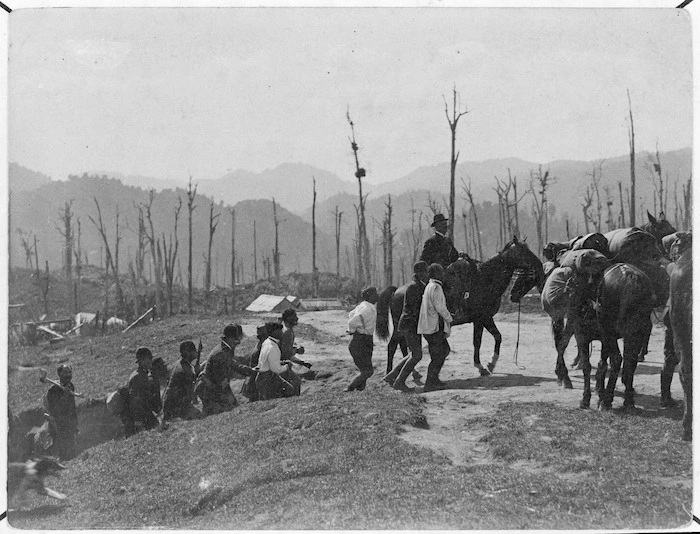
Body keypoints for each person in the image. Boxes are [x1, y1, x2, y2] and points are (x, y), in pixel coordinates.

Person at [384, 261, 429, 392]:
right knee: (417, 355)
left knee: (413, 354)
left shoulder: (416, 285)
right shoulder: (415, 287)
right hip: (411, 324)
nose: (427, 274)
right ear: (420, 273)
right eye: (425, 272)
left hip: (411, 324)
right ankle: (400, 382)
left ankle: (391, 375)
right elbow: (415, 308)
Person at [198, 324, 254, 415]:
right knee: (222, 412)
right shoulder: (221, 353)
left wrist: (250, 370)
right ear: (230, 338)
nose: (239, 342)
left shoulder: (226, 349)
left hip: (213, 386)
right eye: (237, 339)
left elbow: (233, 364)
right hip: (208, 389)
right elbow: (220, 380)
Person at [417, 263, 453, 392]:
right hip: (434, 327)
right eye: (441, 272)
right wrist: (449, 318)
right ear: (436, 274)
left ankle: (433, 379)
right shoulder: (436, 287)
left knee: (440, 352)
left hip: (428, 326)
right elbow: (440, 307)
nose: (443, 274)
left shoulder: (429, 286)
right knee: (441, 353)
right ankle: (430, 382)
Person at [346, 286, 379, 392]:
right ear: (369, 296)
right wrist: (351, 330)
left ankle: (359, 389)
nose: (377, 295)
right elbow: (352, 322)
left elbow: (351, 314)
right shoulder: (366, 309)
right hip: (361, 341)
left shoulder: (363, 305)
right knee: (368, 371)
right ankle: (350, 388)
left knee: (365, 369)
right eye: (375, 294)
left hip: (362, 339)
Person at [44, 364, 79, 460]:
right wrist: (65, 396)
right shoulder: (53, 390)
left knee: (72, 450)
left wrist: (75, 422)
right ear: (59, 374)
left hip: (70, 422)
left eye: (69, 372)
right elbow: (55, 410)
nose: (68, 375)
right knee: (62, 452)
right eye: (65, 373)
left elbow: (72, 406)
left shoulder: (70, 386)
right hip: (58, 424)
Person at [163, 341, 203, 421]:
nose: (196, 352)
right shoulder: (184, 370)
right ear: (188, 353)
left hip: (172, 405)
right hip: (177, 408)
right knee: (201, 418)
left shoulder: (179, 364)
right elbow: (192, 391)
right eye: (194, 350)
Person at [126, 347, 162, 435]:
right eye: (149, 358)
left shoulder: (142, 374)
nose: (151, 361)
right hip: (141, 417)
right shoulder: (138, 377)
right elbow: (137, 403)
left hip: (145, 415)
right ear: (142, 360)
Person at [255, 322, 291, 400]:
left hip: (262, 377)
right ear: (274, 332)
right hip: (268, 379)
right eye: (280, 331)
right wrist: (287, 367)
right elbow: (276, 369)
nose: (282, 333)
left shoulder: (267, 342)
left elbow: (268, 361)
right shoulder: (272, 347)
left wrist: (282, 363)